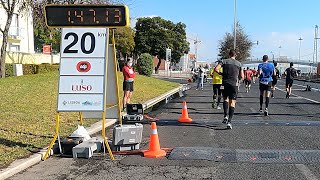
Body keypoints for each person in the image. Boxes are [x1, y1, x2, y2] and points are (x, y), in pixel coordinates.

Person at [214, 50, 244, 129]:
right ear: (235, 55)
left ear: (229, 54)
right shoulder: (239, 64)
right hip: (234, 84)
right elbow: (242, 76)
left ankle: (225, 116)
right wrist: (238, 79)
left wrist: (221, 74)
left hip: (224, 84)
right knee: (232, 102)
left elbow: (216, 69)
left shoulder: (224, 61)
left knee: (225, 99)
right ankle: (229, 122)